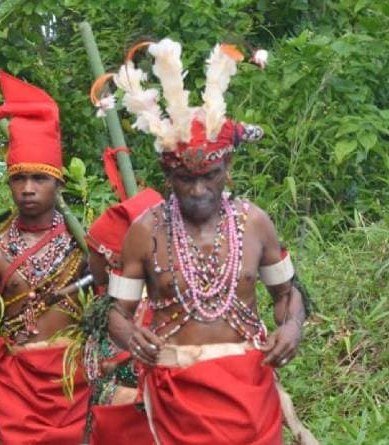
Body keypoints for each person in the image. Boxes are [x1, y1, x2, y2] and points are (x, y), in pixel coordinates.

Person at [106, 39, 309, 444]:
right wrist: (130, 336)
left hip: (251, 395)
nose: (198, 190)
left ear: (227, 168)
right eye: (185, 179)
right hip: (179, 399)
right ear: (168, 176)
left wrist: (291, 329)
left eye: (210, 176)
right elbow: (114, 312)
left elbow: (288, 292)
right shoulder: (145, 231)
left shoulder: (255, 224)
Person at [0, 70, 90, 445]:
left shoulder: (84, 245)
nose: (28, 189)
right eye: (19, 178)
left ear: (59, 183)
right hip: (17, 390)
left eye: (39, 179)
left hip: (73, 385)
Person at [82, 188, 164, 444]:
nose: (88, 261)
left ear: (111, 261)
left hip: (131, 424)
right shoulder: (111, 298)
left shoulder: (143, 310)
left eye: (92, 252)